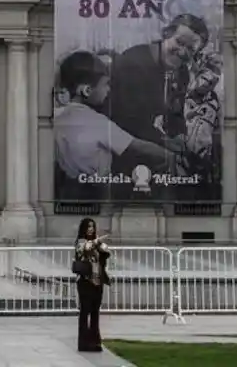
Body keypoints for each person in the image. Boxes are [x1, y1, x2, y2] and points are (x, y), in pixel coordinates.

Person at [54, 51, 182, 185]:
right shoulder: (97, 122)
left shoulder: (57, 116)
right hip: (95, 189)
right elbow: (137, 146)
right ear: (87, 90)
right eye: (106, 84)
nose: (109, 89)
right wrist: (169, 156)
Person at [107, 13, 212, 176]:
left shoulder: (182, 72)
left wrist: (180, 136)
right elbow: (127, 121)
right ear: (167, 34)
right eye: (179, 42)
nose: (182, 51)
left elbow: (175, 113)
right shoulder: (133, 62)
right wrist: (165, 142)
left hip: (144, 141)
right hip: (115, 146)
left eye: (190, 49)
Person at [74, 217, 110, 353]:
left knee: (95, 312)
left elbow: (106, 252)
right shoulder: (81, 242)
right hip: (85, 281)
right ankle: (83, 342)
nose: (91, 229)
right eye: (89, 227)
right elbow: (85, 248)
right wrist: (97, 241)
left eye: (93, 226)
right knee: (85, 311)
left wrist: (102, 248)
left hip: (97, 281)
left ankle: (95, 342)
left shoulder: (97, 243)